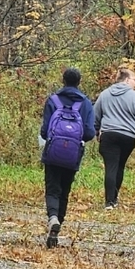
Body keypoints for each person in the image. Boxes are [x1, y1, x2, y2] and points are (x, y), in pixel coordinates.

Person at [39, 68, 96, 248]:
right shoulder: (86, 103)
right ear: (79, 82)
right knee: (64, 191)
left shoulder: (53, 100)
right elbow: (88, 133)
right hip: (72, 155)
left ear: (63, 80)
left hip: (53, 153)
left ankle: (53, 217)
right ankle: (56, 230)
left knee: (52, 188)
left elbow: (44, 130)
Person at [94, 67, 135, 209]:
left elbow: (96, 116)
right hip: (127, 136)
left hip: (109, 135)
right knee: (119, 166)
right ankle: (114, 198)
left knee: (110, 167)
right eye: (134, 79)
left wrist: (96, 133)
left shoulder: (104, 94)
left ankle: (109, 202)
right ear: (126, 79)